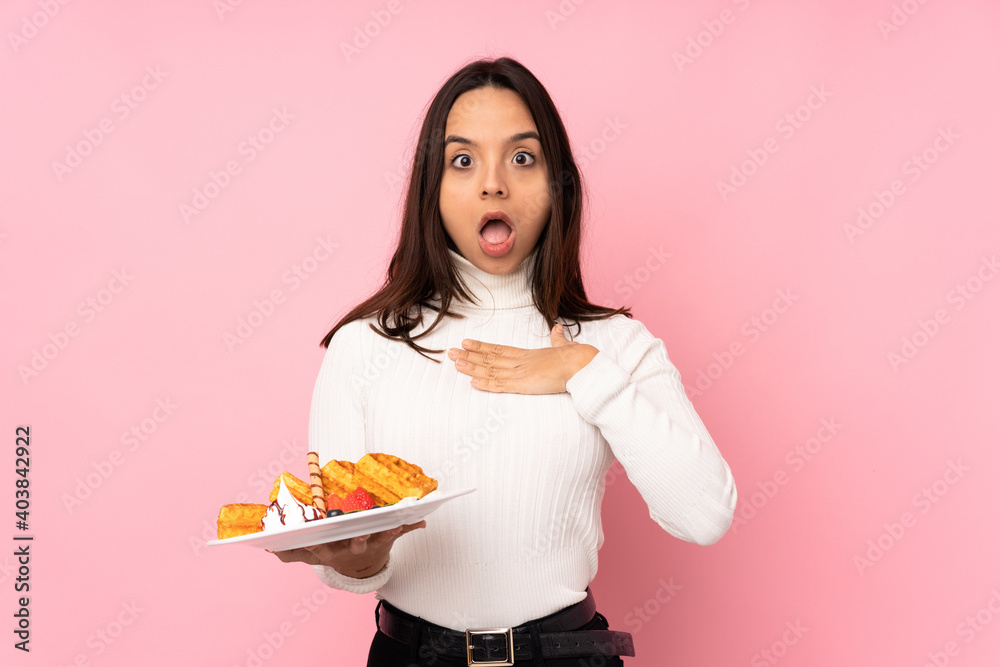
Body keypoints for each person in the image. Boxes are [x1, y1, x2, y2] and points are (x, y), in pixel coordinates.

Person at [272, 56, 738, 666]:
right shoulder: (366, 345)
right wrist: (361, 563)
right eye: (463, 161)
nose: (494, 184)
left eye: (523, 158)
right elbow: (344, 556)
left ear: (558, 184)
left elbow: (703, 514)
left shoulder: (616, 344)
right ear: (430, 188)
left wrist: (583, 372)